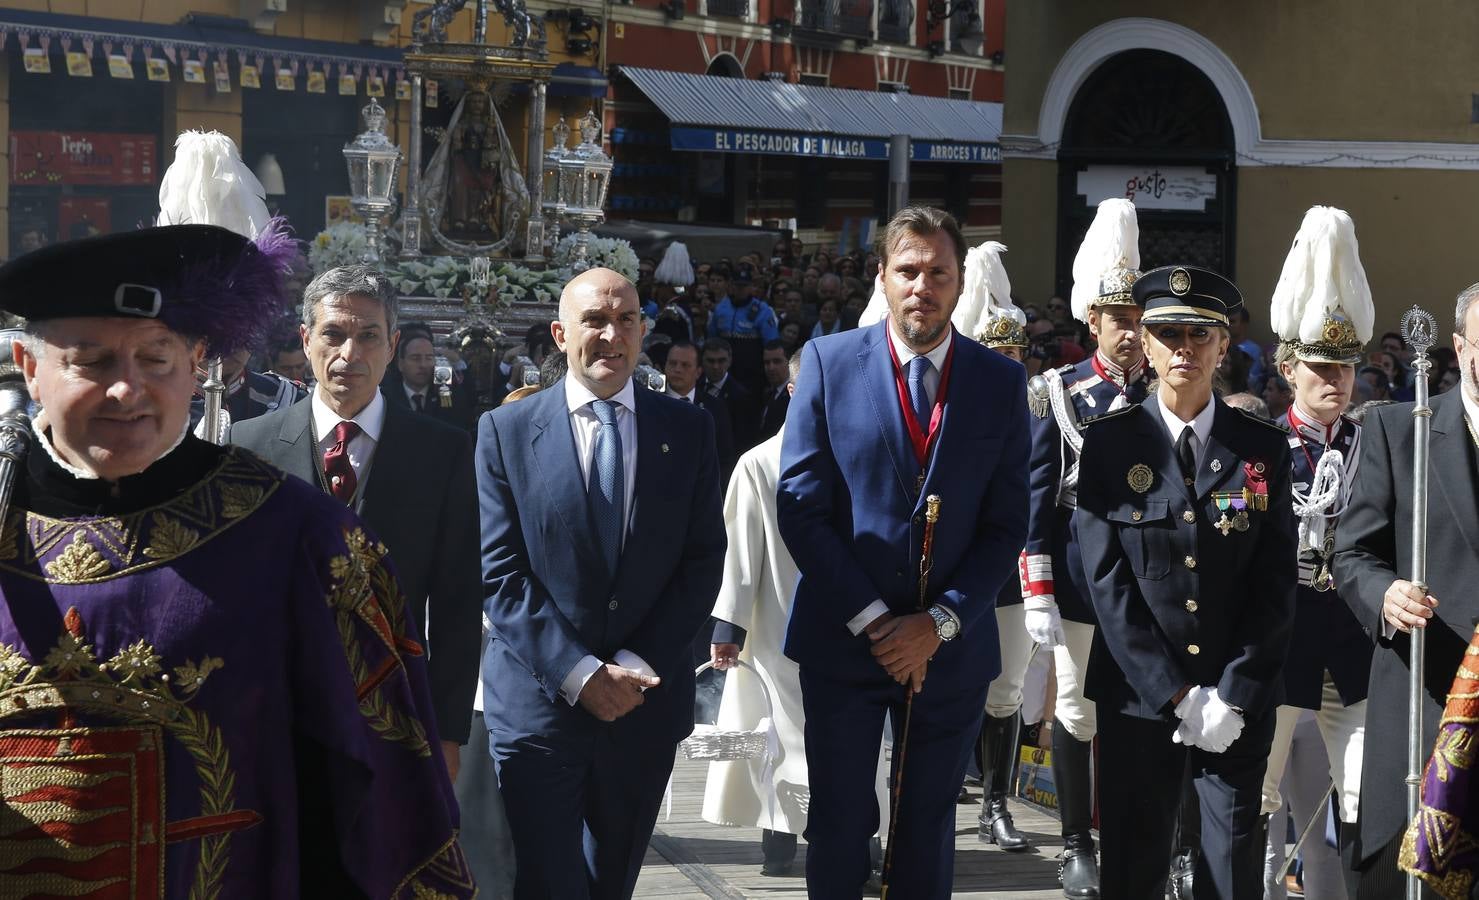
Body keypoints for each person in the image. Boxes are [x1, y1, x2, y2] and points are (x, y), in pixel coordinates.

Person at [0, 223, 471, 894]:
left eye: (156, 359)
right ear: (29, 366)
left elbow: (382, 806)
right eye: (93, 361)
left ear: (197, 364)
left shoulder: (304, 541)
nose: (127, 390)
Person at [778, 206, 1030, 899]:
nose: (923, 286)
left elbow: (1007, 523)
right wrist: (876, 621)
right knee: (838, 823)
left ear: (959, 282)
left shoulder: (1000, 381)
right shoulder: (829, 363)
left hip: (950, 649)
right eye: (908, 271)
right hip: (844, 637)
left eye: (938, 272)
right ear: (883, 278)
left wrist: (938, 623)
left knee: (926, 829)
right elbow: (800, 507)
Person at [476, 267, 726, 899]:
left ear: (642, 331)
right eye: (594, 320)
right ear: (562, 334)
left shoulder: (688, 430)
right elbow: (499, 571)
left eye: (625, 320)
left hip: (644, 705)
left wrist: (633, 667)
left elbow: (702, 562)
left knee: (611, 885)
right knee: (547, 885)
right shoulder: (505, 432)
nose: (611, 336)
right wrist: (581, 675)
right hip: (540, 707)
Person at [1075, 264, 1296, 900]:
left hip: (1236, 699)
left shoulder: (1261, 449)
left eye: (1201, 335)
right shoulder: (1110, 444)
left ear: (1224, 346)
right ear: (1144, 344)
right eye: (1169, 334)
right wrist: (1176, 694)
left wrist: (1234, 693)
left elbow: (1275, 581)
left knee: (1229, 873)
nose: (1185, 349)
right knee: (1133, 867)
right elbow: (1107, 582)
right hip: (1140, 698)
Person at [231, 265, 483, 782]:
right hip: (274, 712)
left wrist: (448, 732)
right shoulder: (247, 445)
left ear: (392, 346)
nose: (350, 354)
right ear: (306, 340)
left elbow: (458, 602)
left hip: (395, 712)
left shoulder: (443, 452)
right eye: (333, 334)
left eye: (368, 336)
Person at [1024, 197, 1151, 900]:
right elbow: (1037, 500)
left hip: (1154, 579)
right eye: (1118, 320)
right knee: (1076, 710)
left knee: (1148, 711)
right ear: (1092, 322)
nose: (1131, 333)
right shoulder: (1058, 392)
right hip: (1079, 578)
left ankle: (1143, 837)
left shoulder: (1168, 392)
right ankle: (1076, 842)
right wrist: (1038, 590)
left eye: (1139, 320)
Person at [1334, 280, 1479, 898]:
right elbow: (1352, 554)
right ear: (1459, 347)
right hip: (1429, 691)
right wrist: (1386, 594)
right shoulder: (1400, 430)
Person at [1259, 206, 1374, 900]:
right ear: (1287, 369)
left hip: (1354, 642)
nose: (1335, 379)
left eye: (1345, 367)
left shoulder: (1375, 445)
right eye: (1320, 367)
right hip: (1280, 640)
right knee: (1259, 793)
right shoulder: (1261, 446)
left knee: (1364, 792)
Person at [960, 242, 1037, 853]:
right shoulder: (948, 409)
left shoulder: (1040, 411)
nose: (1006, 362)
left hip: (1011, 570)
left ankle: (995, 804)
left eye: (1014, 353)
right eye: (994, 352)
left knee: (1006, 690)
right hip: (953, 570)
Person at [385, 328, 478, 432]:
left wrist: (457, 363)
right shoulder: (387, 394)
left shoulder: (444, 388)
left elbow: (467, 409)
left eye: (429, 358)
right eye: (415, 358)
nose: (423, 365)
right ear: (400, 364)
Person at [709, 262, 780, 394]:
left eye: (744, 286)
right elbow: (712, 339)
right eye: (737, 285)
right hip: (723, 373)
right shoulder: (721, 309)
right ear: (731, 285)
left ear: (751, 287)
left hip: (752, 374)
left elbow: (771, 344)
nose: (740, 289)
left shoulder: (762, 310)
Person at [758, 340, 791, 440]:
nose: (771, 367)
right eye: (767, 362)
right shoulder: (768, 393)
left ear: (789, 362)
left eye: (777, 361)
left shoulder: (794, 395)